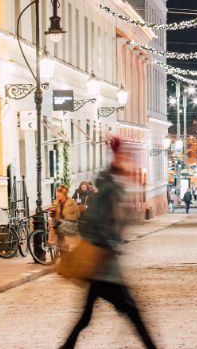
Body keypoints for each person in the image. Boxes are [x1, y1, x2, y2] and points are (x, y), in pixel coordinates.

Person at [61, 137, 158, 349]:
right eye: (126, 158)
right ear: (118, 162)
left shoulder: (109, 187)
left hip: (101, 266)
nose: (130, 163)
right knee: (132, 312)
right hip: (105, 266)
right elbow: (97, 223)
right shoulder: (110, 191)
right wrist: (110, 242)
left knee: (86, 316)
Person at [50, 184, 82, 249]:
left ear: (64, 194)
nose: (58, 195)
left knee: (65, 248)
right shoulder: (55, 202)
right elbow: (52, 216)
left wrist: (67, 217)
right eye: (57, 193)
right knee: (61, 249)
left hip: (67, 229)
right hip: (58, 229)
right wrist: (52, 213)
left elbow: (77, 215)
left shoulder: (71, 202)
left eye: (59, 193)